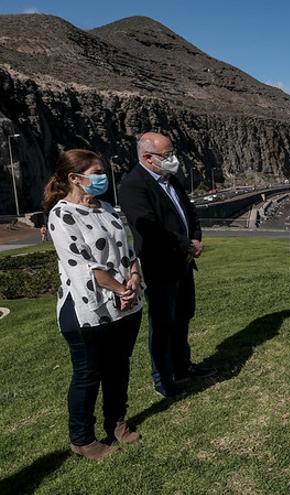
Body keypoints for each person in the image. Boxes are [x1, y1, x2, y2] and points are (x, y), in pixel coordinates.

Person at [43, 149, 144, 459]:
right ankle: (82, 438)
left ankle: (116, 421)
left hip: (125, 305)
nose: (103, 178)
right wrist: (118, 288)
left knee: (119, 367)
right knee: (88, 374)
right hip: (89, 310)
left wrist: (135, 274)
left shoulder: (107, 209)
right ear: (75, 178)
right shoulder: (61, 215)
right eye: (97, 173)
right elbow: (82, 265)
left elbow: (127, 248)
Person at [119, 132, 214, 398]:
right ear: (148, 158)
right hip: (159, 266)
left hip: (183, 263)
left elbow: (190, 212)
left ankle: (182, 367)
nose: (173, 159)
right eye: (166, 155)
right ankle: (163, 378)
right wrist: (185, 245)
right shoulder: (133, 185)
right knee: (162, 323)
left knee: (183, 316)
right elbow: (150, 227)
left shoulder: (170, 179)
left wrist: (194, 239)